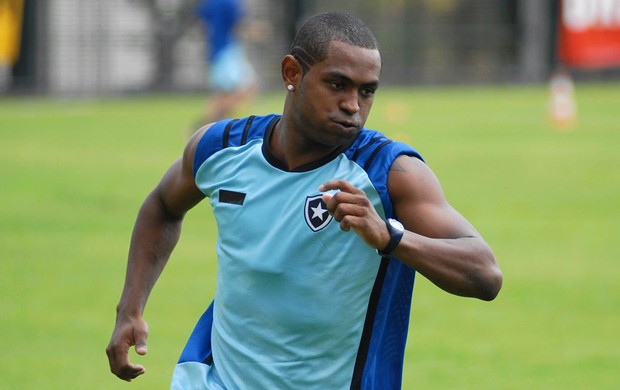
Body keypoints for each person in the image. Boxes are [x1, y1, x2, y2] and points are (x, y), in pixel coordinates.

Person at [106, 11, 502, 389]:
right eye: (337, 84)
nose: (353, 105)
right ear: (292, 73)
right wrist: (130, 308)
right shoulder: (220, 149)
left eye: (367, 92)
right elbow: (162, 207)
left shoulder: (389, 173)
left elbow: (485, 274)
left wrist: (390, 237)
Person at [194, 0, 258, 127]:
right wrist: (256, 31)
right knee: (244, 89)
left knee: (226, 93)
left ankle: (219, 125)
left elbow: (201, 23)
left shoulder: (209, 3)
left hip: (217, 50)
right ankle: (204, 126)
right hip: (227, 51)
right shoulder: (229, 3)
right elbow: (240, 23)